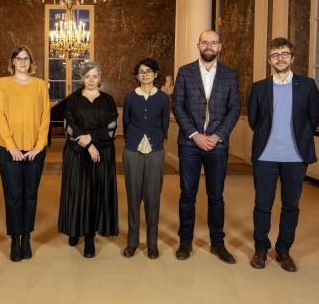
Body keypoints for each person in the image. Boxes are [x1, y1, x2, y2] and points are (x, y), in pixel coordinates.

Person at [247, 37, 319, 272]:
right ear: (269, 59)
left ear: (292, 57)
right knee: (263, 205)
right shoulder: (259, 88)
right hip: (265, 156)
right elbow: (254, 120)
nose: (280, 59)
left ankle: (283, 251)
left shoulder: (307, 85)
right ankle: (260, 250)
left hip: (296, 158)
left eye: (284, 54)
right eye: (275, 55)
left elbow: (314, 118)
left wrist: (299, 137)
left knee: (291, 206)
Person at [172, 30, 241, 264]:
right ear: (198, 45)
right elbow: (178, 106)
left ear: (220, 46)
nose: (209, 45)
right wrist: (195, 135)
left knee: (216, 196)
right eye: (205, 42)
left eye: (213, 42)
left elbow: (234, 108)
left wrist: (217, 135)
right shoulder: (185, 72)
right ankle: (185, 242)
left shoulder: (230, 75)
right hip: (190, 144)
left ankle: (217, 244)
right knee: (187, 194)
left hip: (217, 145)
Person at [0, 45, 50, 262]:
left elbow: (46, 116)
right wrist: (11, 146)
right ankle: (14, 240)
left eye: (26, 58)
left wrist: (39, 145)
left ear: (31, 62)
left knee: (30, 195)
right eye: (18, 58)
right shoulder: (2, 83)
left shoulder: (39, 85)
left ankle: (26, 237)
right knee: (13, 196)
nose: (22, 62)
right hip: (9, 150)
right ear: (13, 62)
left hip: (35, 150)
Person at [58, 61, 119, 258]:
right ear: (82, 79)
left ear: (100, 78)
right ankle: (75, 229)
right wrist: (88, 144)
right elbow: (69, 126)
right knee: (77, 193)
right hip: (77, 153)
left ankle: (90, 238)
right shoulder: (73, 99)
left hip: (102, 154)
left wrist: (91, 139)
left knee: (95, 195)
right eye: (87, 76)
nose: (91, 80)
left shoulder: (108, 100)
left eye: (94, 76)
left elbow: (112, 127)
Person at [122, 58, 169, 259]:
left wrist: (155, 141)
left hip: (155, 153)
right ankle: (132, 242)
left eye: (149, 71)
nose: (145, 75)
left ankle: (152, 244)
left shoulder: (163, 98)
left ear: (156, 74)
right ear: (137, 75)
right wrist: (134, 141)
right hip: (132, 152)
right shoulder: (130, 97)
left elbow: (165, 124)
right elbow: (126, 123)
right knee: (133, 199)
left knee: (153, 200)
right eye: (141, 72)